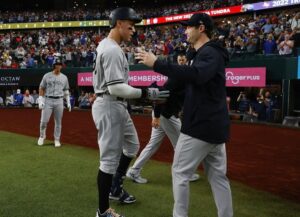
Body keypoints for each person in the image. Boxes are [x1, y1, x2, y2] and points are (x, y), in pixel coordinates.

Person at [136, 13, 233, 217]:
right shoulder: (203, 54)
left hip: (200, 126)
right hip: (214, 127)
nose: (185, 30)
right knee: (218, 178)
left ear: (201, 28)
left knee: (180, 172)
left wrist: (158, 64)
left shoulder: (209, 53)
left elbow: (197, 76)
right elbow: (181, 81)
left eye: (188, 27)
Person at [92, 7, 169, 217]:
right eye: (130, 25)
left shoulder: (109, 45)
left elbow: (119, 87)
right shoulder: (112, 49)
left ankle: (115, 187)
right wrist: (147, 92)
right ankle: (103, 210)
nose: (133, 29)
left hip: (115, 103)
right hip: (109, 103)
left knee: (132, 145)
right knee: (108, 160)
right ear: (119, 23)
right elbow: (116, 87)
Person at [126, 53, 200, 184]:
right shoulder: (177, 77)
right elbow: (161, 95)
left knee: (153, 144)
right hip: (166, 115)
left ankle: (134, 170)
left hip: (165, 114)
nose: (182, 60)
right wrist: (157, 115)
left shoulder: (185, 76)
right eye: (180, 58)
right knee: (180, 145)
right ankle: (183, 173)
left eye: (184, 58)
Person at [37, 58, 71, 148]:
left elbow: (66, 90)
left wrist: (68, 102)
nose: (59, 66)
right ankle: (42, 136)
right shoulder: (47, 76)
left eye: (60, 64)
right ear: (54, 65)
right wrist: (41, 99)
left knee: (58, 122)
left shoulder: (64, 77)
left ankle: (57, 139)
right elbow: (41, 88)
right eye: (57, 64)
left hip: (59, 100)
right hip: (48, 100)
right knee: (44, 121)